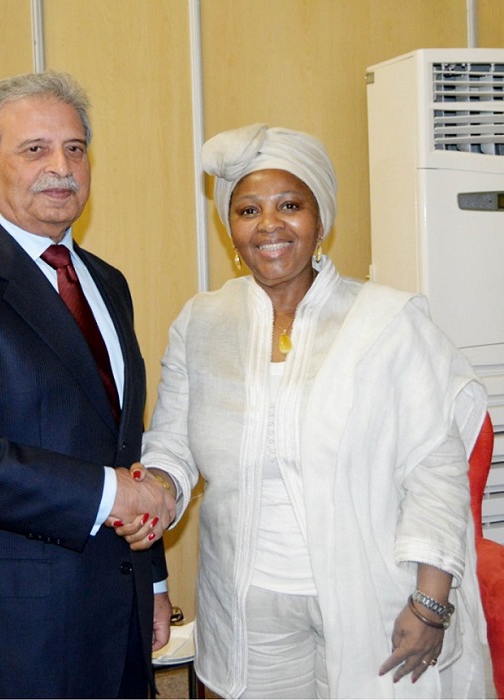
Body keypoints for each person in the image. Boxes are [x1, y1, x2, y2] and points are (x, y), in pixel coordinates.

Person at [133, 123, 491, 698]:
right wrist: (154, 491)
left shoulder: (388, 323)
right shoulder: (203, 322)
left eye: (290, 205)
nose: (269, 225)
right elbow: (172, 445)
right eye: (248, 210)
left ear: (320, 218)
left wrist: (430, 604)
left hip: (374, 597)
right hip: (247, 610)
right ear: (231, 228)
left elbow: (436, 469)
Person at [0, 71, 175, 699]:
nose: (61, 167)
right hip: (6, 633)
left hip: (117, 616)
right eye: (35, 149)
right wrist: (110, 494)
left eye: (75, 148)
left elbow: (124, 448)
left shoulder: (110, 282)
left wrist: (149, 578)